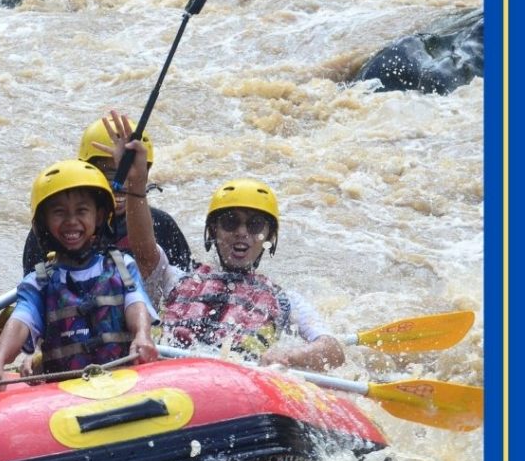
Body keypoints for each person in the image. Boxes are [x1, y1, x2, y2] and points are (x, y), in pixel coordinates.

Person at [105, 112, 345, 372]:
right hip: (169, 376)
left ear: (269, 237)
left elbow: (332, 349)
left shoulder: (286, 300)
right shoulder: (174, 279)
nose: (242, 232)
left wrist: (290, 356)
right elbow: (143, 250)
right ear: (213, 232)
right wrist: (135, 184)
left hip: (238, 388)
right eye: (230, 223)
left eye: (254, 225)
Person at [0, 159, 158, 394]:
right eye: (59, 213)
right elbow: (21, 321)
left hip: (124, 384)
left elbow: (136, 302)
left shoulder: (122, 266)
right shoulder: (39, 282)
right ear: (44, 222)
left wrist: (142, 335)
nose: (71, 221)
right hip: (64, 397)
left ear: (99, 217)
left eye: (82, 211)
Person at [21, 116, 192, 275]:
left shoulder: (162, 225)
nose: (121, 185)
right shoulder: (52, 231)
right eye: (109, 175)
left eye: (130, 174)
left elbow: (184, 285)